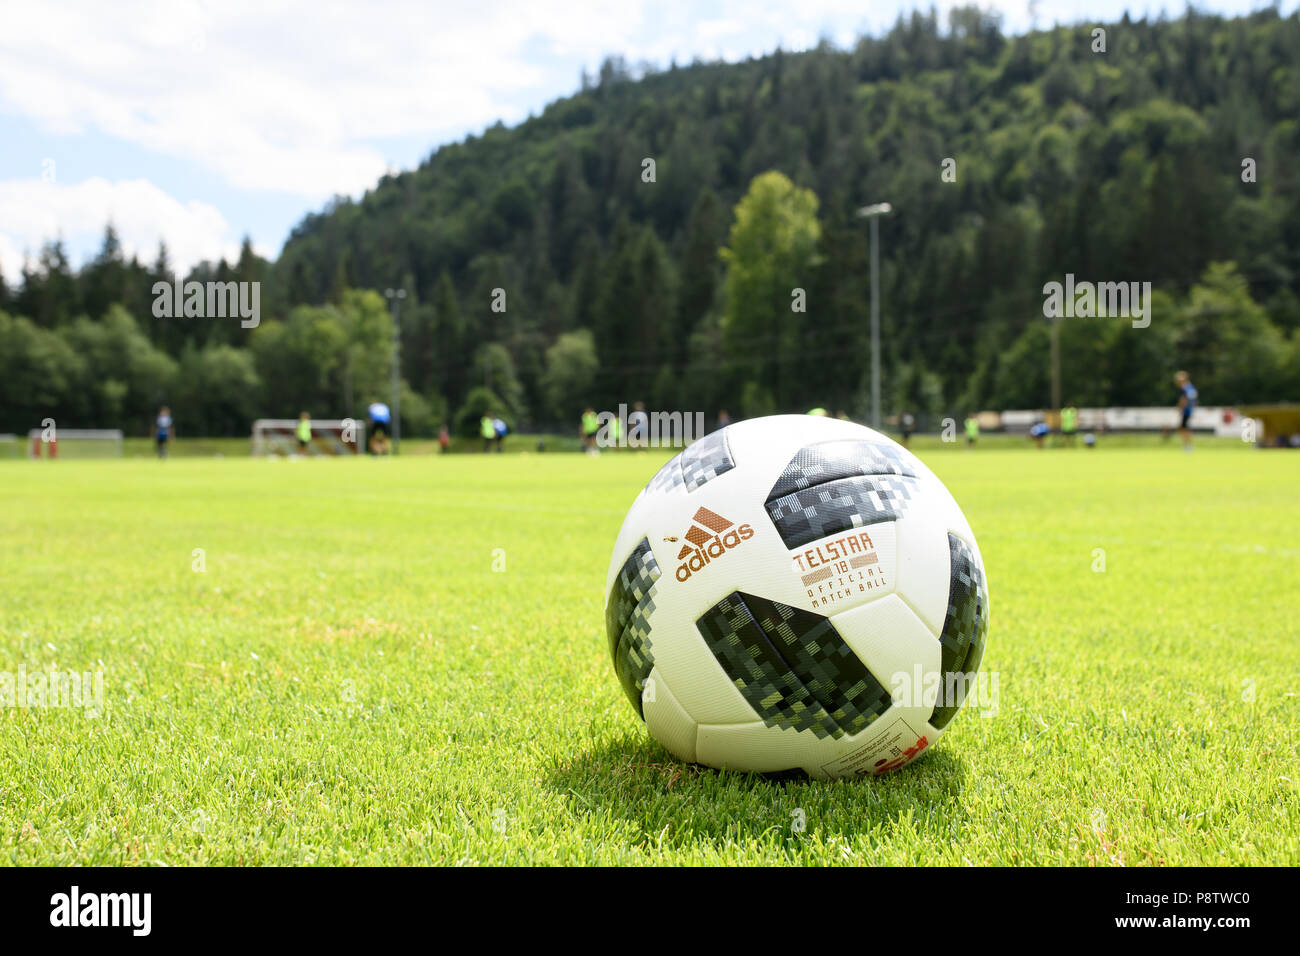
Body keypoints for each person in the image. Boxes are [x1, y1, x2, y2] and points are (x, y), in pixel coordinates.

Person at [1175, 371, 1197, 452]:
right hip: (1189, 410)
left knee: (1184, 428)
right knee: (1183, 428)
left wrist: (1180, 408)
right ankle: (1187, 445)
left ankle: (1188, 446)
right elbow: (1194, 399)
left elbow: (1184, 399)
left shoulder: (1184, 388)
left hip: (1186, 410)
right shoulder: (1191, 387)